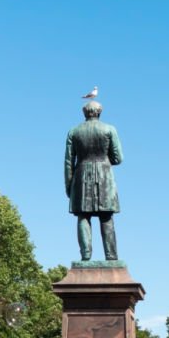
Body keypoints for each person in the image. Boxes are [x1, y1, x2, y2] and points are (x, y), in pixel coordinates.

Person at [64, 100, 124, 261]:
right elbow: (118, 158)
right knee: (106, 216)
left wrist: (69, 185)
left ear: (85, 113)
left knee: (83, 216)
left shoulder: (74, 131)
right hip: (104, 174)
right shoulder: (109, 129)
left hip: (81, 175)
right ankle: (111, 256)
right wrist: (104, 160)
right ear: (99, 112)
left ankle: (85, 256)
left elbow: (69, 161)